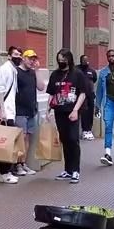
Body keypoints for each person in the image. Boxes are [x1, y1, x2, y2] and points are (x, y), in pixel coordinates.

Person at [47, 49, 91, 183]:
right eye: (59, 60)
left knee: (73, 140)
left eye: (63, 60)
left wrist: (75, 110)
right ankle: (68, 170)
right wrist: (47, 110)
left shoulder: (77, 74)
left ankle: (76, 170)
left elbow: (83, 93)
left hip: (72, 111)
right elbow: (51, 93)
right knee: (65, 140)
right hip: (59, 111)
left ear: (69, 60)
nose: (61, 62)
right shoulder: (55, 74)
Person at [12, 49, 47, 176]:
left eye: (34, 59)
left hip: (31, 110)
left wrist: (37, 70)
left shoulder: (33, 73)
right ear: (23, 58)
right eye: (30, 58)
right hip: (19, 110)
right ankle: (17, 165)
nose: (32, 61)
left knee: (27, 139)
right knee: (21, 138)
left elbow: (41, 87)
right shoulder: (16, 72)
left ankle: (23, 164)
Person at [0, 46, 23, 184]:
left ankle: (5, 171)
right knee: (4, 142)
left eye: (19, 54)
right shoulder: (5, 69)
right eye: (16, 54)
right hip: (5, 112)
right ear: (9, 56)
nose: (18, 56)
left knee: (8, 142)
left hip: (10, 110)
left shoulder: (13, 70)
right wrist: (2, 111)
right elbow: (0, 89)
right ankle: (3, 172)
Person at [77, 55, 97, 140]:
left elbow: (94, 79)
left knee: (90, 112)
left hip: (90, 95)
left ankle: (89, 130)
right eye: (84, 60)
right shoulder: (77, 70)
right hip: (81, 95)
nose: (85, 61)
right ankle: (84, 130)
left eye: (87, 60)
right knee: (83, 113)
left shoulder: (91, 71)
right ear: (81, 60)